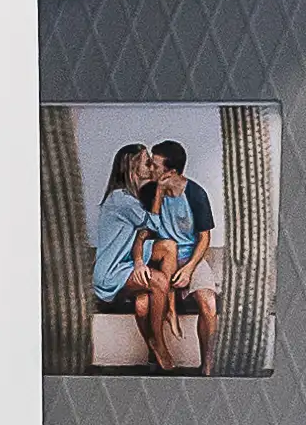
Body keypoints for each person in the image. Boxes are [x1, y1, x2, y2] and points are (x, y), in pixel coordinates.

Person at [142, 136, 219, 370]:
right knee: (144, 303)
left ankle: (206, 365)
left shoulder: (196, 193)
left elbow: (204, 237)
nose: (150, 169)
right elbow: (148, 231)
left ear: (171, 171)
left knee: (209, 304)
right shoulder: (148, 192)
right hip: (160, 257)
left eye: (154, 165)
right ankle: (155, 358)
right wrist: (158, 195)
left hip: (189, 258)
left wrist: (188, 269)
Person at [87, 140, 158, 368]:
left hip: (123, 270)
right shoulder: (121, 199)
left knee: (144, 302)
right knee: (159, 281)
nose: (152, 166)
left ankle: (153, 357)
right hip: (110, 275)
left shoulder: (132, 199)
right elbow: (155, 225)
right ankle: (161, 347)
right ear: (133, 167)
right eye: (147, 162)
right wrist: (162, 191)